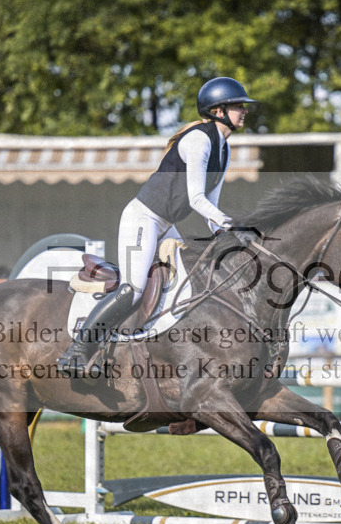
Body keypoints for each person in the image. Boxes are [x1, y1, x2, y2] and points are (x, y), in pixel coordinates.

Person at [58, 76, 258, 374]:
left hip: (166, 224)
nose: (244, 111)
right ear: (218, 111)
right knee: (133, 289)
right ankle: (77, 351)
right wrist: (233, 224)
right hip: (144, 218)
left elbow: (210, 208)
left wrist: (225, 234)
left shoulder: (224, 149)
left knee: (188, 282)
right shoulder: (198, 140)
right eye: (238, 106)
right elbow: (196, 199)